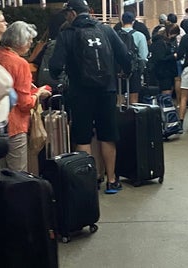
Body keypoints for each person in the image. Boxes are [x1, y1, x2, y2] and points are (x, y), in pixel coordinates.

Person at [49, 0, 131, 194]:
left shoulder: (67, 35)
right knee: (108, 135)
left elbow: (55, 67)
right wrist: (124, 73)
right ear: (89, 12)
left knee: (83, 136)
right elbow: (125, 57)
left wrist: (62, 78)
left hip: (80, 93)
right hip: (107, 91)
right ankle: (112, 181)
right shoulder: (106, 31)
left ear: (72, 14)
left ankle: (88, 183)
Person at [0, 21, 51, 172]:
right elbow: (25, 103)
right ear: (18, 41)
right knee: (17, 174)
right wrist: (39, 93)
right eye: (29, 41)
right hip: (15, 125)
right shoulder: (20, 63)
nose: (30, 44)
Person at [118, 11, 148, 104]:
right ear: (133, 22)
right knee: (134, 101)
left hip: (118, 71)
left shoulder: (115, 35)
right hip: (134, 71)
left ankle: (119, 117)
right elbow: (143, 56)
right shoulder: (140, 36)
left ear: (122, 21)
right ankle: (131, 117)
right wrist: (141, 70)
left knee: (119, 100)